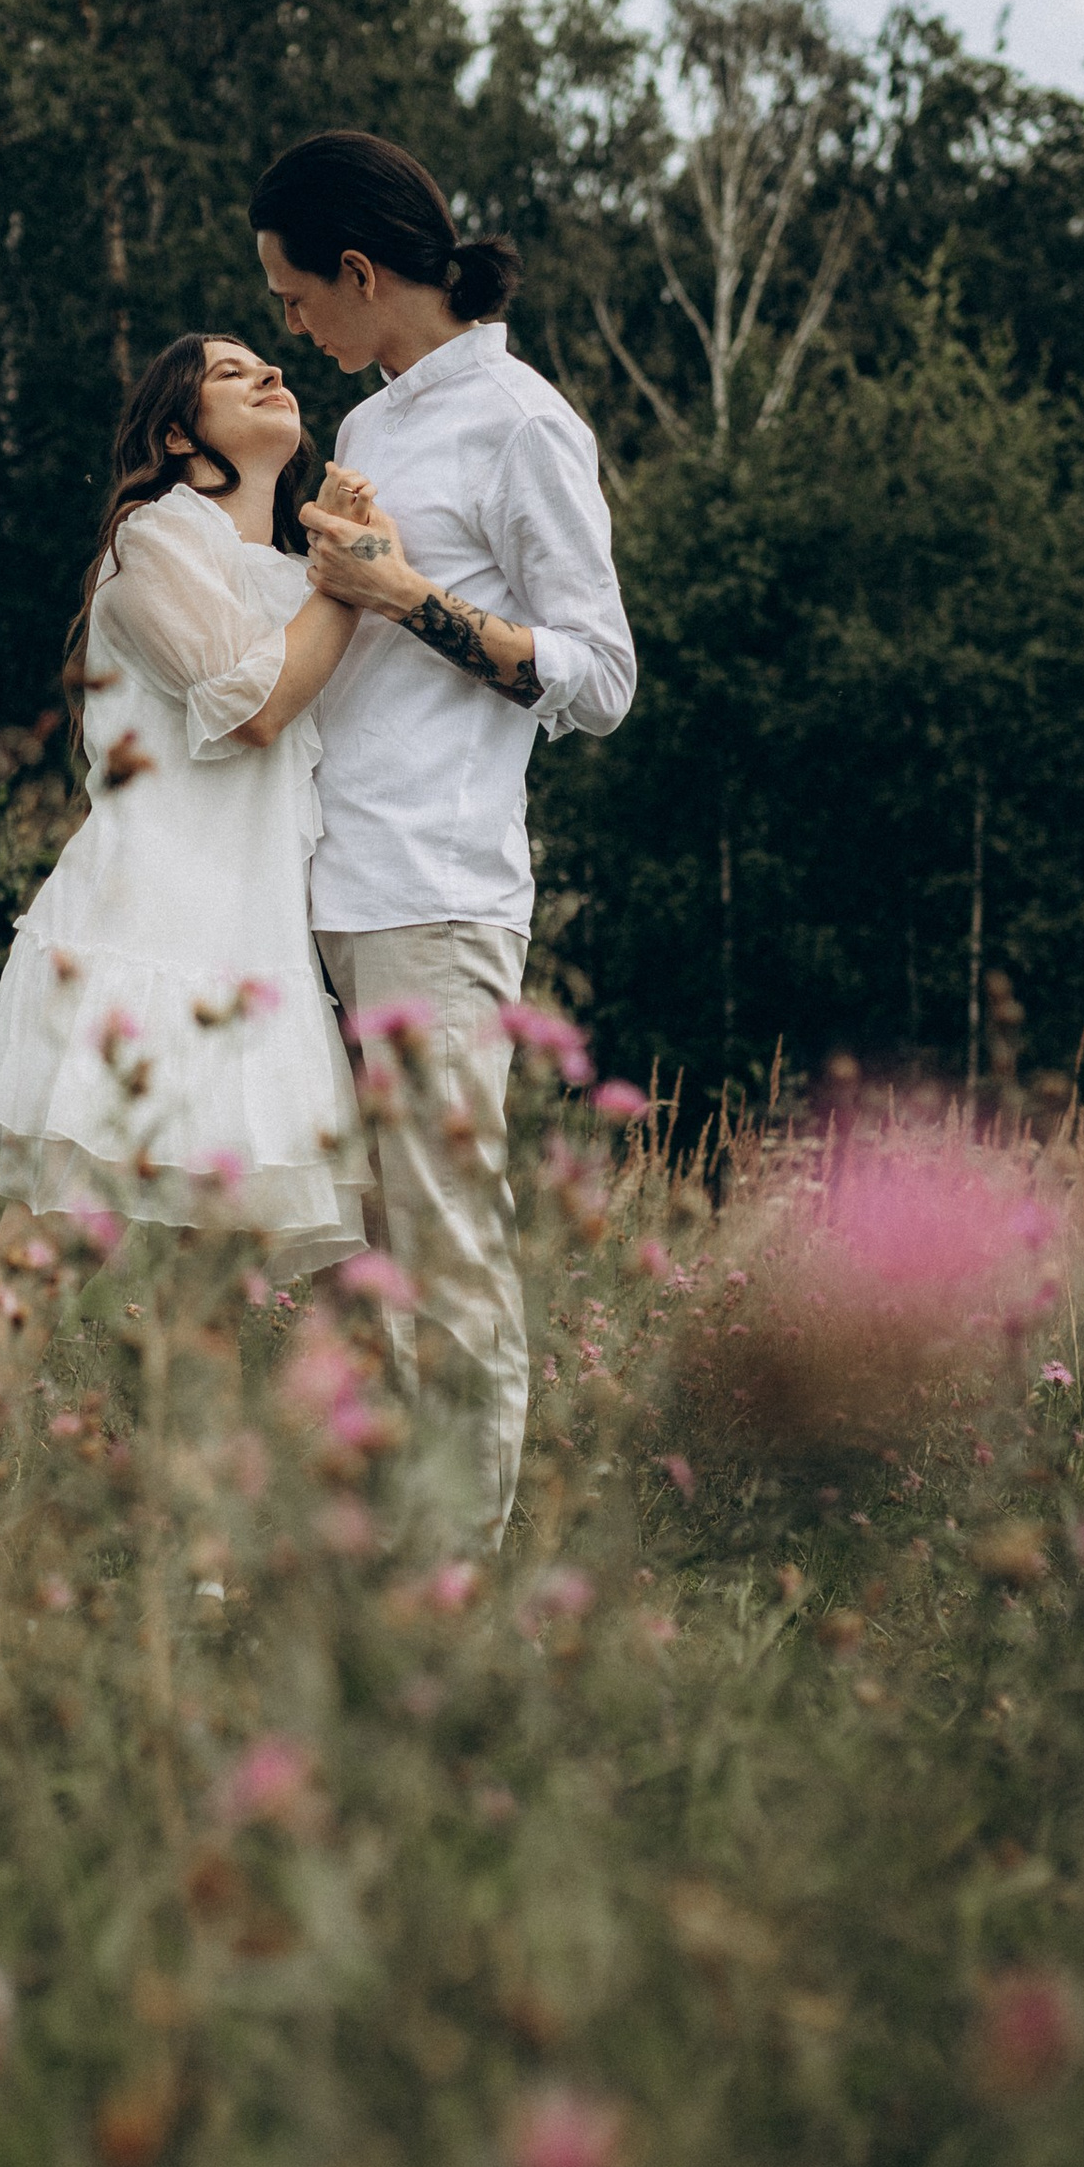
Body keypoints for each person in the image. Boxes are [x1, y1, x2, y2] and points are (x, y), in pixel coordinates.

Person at [250, 128, 636, 1544]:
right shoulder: (365, 430)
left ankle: (455, 1593)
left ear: (360, 273)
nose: (292, 326)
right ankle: (371, 1552)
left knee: (446, 1243)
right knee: (343, 1251)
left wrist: (410, 597)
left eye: (297, 297)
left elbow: (602, 678)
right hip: (314, 889)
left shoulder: (524, 421)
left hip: (437, 891)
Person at [0, 333, 369, 1402]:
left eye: (270, 361)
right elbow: (253, 705)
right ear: (177, 435)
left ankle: (194, 1573)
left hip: (245, 963)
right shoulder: (155, 541)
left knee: (209, 1300)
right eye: (229, 372)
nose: (267, 373)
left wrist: (345, 573)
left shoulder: (297, 577)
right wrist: (356, 585)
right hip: (141, 944)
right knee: (35, 1262)